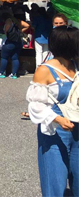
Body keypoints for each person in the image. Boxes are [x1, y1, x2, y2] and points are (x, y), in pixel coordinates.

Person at [27, 25, 79, 197]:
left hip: (77, 133)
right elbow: (35, 105)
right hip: (55, 134)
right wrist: (58, 119)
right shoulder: (44, 70)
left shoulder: (76, 66)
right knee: (54, 183)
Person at [0, 12, 26, 79]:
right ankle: (14, 74)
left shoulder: (8, 21)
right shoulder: (17, 21)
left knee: (4, 57)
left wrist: (5, 32)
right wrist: (21, 31)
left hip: (10, 42)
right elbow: (27, 25)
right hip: (18, 42)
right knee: (15, 58)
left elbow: (6, 31)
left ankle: (1, 73)